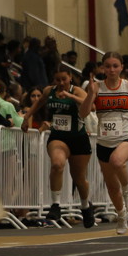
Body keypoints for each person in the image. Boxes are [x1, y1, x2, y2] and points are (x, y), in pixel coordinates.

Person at [80, 51, 128, 235]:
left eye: (115, 66)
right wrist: (90, 94)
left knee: (117, 161)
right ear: (102, 68)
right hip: (104, 141)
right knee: (111, 186)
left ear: (121, 68)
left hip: (127, 136)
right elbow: (83, 113)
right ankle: (121, 214)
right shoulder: (96, 87)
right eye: (108, 66)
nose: (111, 70)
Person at [22, 69, 95, 227]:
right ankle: (55, 204)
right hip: (58, 136)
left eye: (64, 79)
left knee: (79, 178)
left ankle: (85, 205)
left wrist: (70, 96)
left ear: (70, 78)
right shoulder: (49, 91)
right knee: (57, 164)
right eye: (57, 80)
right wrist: (27, 117)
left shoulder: (76, 91)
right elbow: (39, 103)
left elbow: (92, 107)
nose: (61, 83)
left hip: (78, 137)